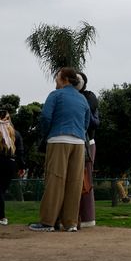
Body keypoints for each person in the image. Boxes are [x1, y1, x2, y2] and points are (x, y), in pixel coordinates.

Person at [30, 67, 91, 232]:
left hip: (58, 139)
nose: (55, 79)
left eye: (57, 76)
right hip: (78, 142)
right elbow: (87, 121)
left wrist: (46, 133)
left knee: (55, 180)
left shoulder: (55, 95)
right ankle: (70, 223)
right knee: (74, 182)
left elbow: (45, 117)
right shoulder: (82, 99)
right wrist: (80, 133)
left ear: (64, 79)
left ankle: (48, 222)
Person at [70, 71, 100, 228]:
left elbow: (91, 120)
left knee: (85, 179)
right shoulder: (67, 96)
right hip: (75, 140)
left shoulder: (88, 96)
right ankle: (72, 216)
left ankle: (87, 217)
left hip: (87, 142)